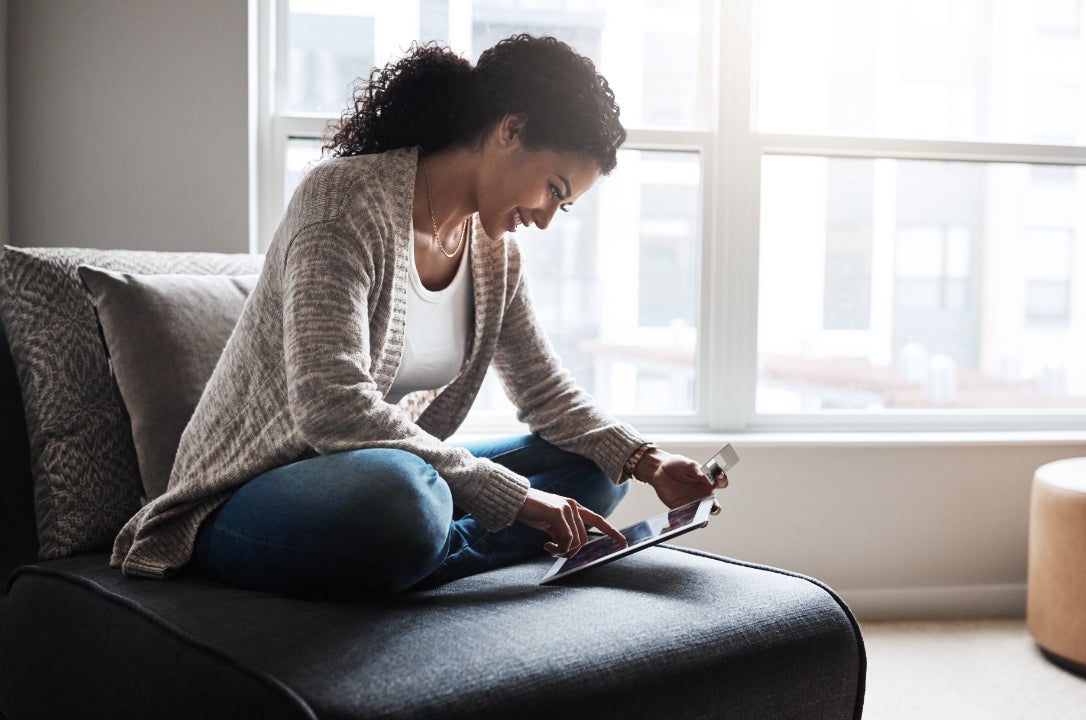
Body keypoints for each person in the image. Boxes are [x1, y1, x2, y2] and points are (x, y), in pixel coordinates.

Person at [109, 34, 727, 595]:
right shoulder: (344, 200)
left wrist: (645, 460)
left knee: (598, 470)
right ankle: (429, 545)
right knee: (405, 501)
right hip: (251, 493)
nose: (544, 216)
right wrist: (513, 501)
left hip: (382, 475)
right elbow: (332, 406)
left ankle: (421, 555)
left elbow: (545, 391)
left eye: (561, 208)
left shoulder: (495, 256)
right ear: (510, 129)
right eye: (554, 189)